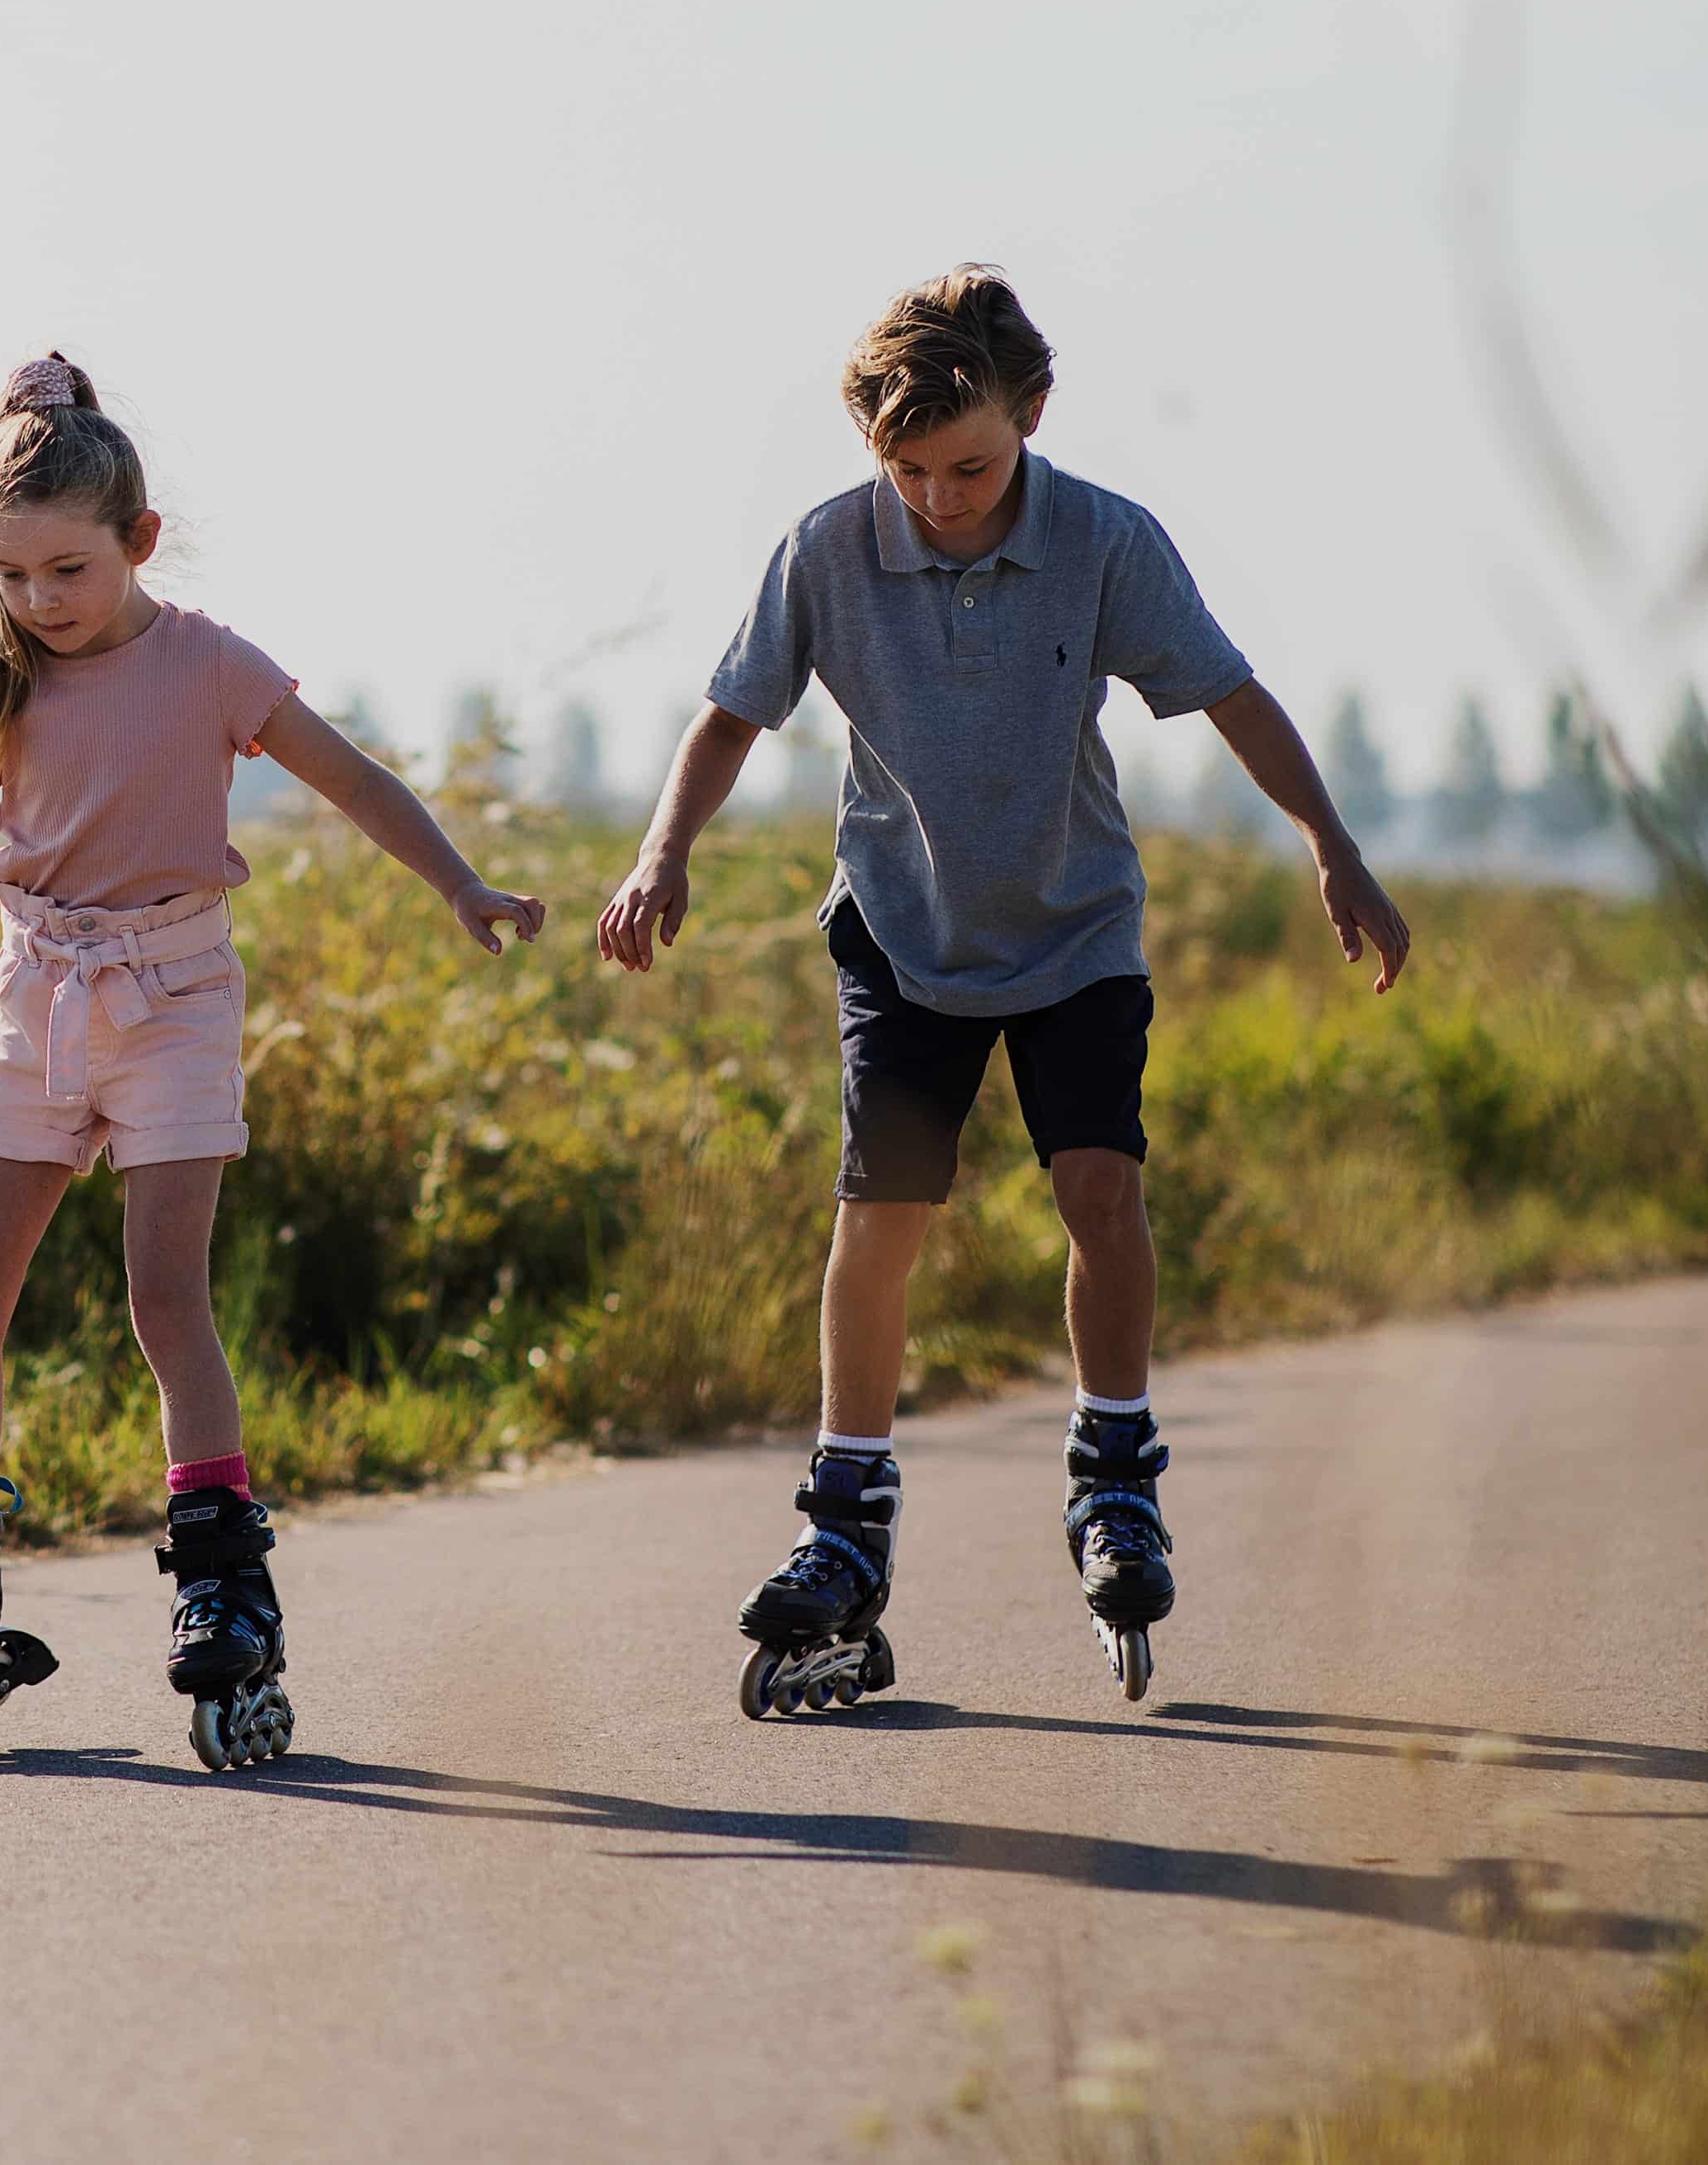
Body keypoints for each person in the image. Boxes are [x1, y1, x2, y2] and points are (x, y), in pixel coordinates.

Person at [597, 266, 1410, 1707]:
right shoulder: (830, 551)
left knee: (1101, 1188)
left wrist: (1333, 848)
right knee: (882, 1212)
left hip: (1074, 930)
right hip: (905, 934)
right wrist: (664, 852)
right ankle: (844, 1524)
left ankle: (1116, 1473)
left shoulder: (1105, 540)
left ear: (1029, 415)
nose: (940, 497)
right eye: (906, 470)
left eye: (969, 464)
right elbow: (730, 716)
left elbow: (1231, 694)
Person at [0, 353, 545, 1766]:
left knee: (164, 1294)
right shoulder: (3, 676)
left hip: (178, 995)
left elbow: (357, 780)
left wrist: (461, 885)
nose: (36, 601)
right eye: (8, 573)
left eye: (66, 569)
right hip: (38, 994)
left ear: (138, 542)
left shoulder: (212, 664)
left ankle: (222, 1584)